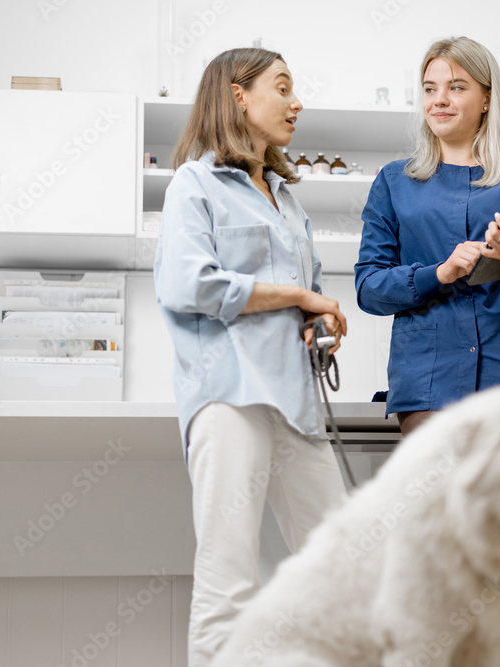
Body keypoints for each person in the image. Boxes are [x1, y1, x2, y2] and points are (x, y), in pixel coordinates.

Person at [354, 37, 500, 667]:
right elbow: (370, 287)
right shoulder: (394, 183)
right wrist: (438, 273)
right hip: (434, 390)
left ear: (486, 97)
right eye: (430, 87)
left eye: (456, 86)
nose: (440, 99)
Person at [154, 48, 348, 667]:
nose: (297, 103)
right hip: (230, 397)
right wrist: (294, 293)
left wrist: (316, 317)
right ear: (238, 96)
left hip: (296, 403)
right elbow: (189, 285)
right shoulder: (194, 182)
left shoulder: (288, 200)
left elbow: (303, 293)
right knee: (229, 582)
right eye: (283, 88)